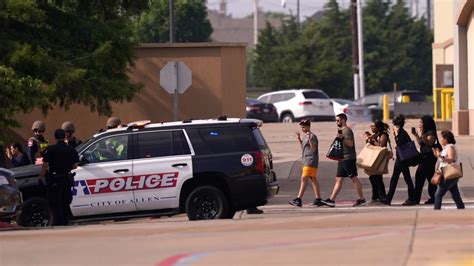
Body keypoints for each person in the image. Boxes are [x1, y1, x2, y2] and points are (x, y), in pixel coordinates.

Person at [322, 113, 367, 207]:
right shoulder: (341, 131)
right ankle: (331, 200)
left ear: (343, 120)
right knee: (338, 178)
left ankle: (362, 199)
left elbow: (350, 144)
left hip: (348, 158)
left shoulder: (347, 131)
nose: (336, 122)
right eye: (336, 120)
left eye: (338, 120)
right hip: (342, 158)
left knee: (353, 178)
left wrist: (342, 138)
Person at [39, 129, 79, 226]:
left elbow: (45, 164)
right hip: (66, 178)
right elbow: (75, 166)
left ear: (55, 137)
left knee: (55, 203)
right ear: (65, 137)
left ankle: (58, 223)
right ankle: (65, 221)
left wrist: (41, 177)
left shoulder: (51, 149)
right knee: (66, 202)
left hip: (55, 180)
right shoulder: (71, 149)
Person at [289, 119, 323, 207]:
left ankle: (298, 199)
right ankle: (318, 199)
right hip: (306, 160)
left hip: (310, 161)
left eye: (304, 127)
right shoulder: (305, 136)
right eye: (302, 127)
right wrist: (299, 139)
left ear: (308, 126)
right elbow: (304, 148)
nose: (302, 128)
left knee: (304, 178)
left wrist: (309, 139)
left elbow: (313, 148)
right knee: (313, 180)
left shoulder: (312, 136)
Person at [384, 115, 417, 205]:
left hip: (402, 160)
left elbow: (400, 144)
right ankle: (411, 198)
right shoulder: (401, 132)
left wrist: (397, 134)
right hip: (401, 160)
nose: (393, 127)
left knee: (397, 180)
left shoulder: (402, 133)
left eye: (394, 125)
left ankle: (389, 199)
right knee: (404, 179)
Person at [433, 131, 465, 210]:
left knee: (438, 195)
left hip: (448, 174)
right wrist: (437, 155)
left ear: (446, 139)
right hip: (449, 175)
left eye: (442, 138)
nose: (441, 140)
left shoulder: (450, 147)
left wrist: (440, 156)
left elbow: (451, 159)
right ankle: (461, 209)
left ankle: (436, 211)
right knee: (455, 195)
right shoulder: (447, 147)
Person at [412, 115, 438, 204]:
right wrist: (416, 135)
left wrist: (423, 135)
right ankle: (434, 197)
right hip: (425, 158)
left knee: (420, 177)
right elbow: (421, 144)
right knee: (429, 179)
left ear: (426, 123)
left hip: (429, 159)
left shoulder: (431, 133)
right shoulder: (426, 132)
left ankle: (416, 199)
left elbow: (429, 143)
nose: (419, 124)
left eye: (421, 122)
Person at [365, 120, 389, 204]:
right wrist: (368, 139)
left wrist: (373, 140)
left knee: (378, 178)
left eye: (373, 126)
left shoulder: (383, 135)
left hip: (380, 159)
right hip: (374, 158)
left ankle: (382, 197)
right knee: (372, 177)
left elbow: (381, 146)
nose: (371, 128)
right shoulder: (375, 135)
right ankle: (375, 197)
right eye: (371, 126)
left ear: (378, 127)